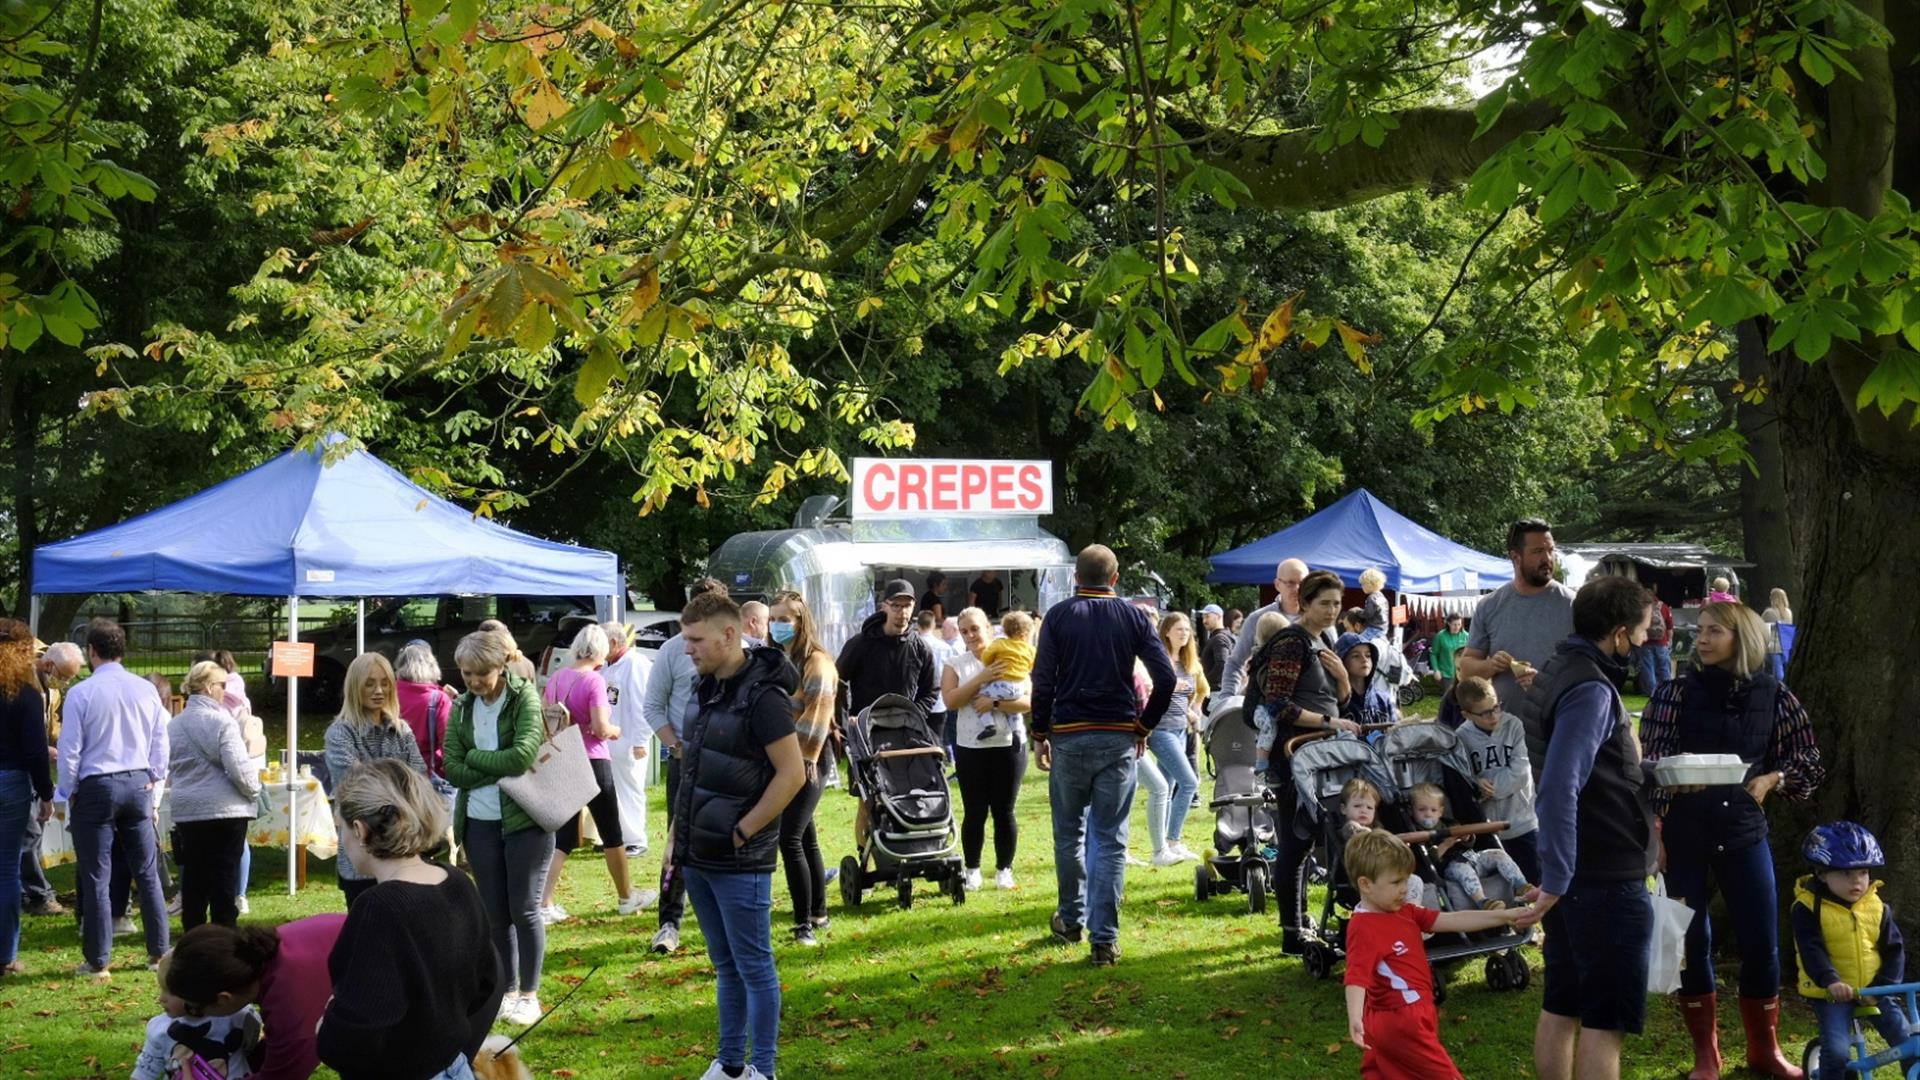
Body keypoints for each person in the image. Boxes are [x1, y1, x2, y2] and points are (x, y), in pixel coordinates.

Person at [1642, 600, 1824, 1080]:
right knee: (1690, 938)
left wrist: (1774, 779)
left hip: (1745, 833)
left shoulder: (1775, 695)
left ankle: (1765, 1051)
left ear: (1740, 637)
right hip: (1684, 833)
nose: (1700, 639)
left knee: (1763, 940)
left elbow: (1808, 759)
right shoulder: (1673, 693)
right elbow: (1651, 762)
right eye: (1699, 630)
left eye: (1713, 631)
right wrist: (1659, 825)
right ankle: (1707, 1055)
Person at [1514, 575, 1657, 1080]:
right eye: (1641, 632)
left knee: (1564, 1004)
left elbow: (1585, 769)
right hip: (1600, 874)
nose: (1644, 643)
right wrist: (1556, 876)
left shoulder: (1561, 668)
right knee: (1604, 1022)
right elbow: (1559, 784)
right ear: (1619, 634)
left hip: (1579, 871)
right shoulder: (1591, 688)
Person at [670, 592, 806, 1080]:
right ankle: (729, 1066)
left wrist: (744, 830)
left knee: (754, 967)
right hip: (697, 852)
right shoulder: (704, 686)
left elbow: (792, 775)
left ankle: (762, 1070)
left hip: (739, 857)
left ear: (729, 635)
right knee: (725, 965)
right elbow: (693, 771)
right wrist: (677, 840)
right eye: (686, 640)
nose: (688, 649)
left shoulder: (764, 696)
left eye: (695, 640)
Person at [1029, 544, 1176, 967]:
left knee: (1068, 833)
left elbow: (1043, 680)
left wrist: (1041, 733)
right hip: (1117, 737)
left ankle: (1071, 919)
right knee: (1110, 838)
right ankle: (1104, 939)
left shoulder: (1058, 617)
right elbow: (1165, 678)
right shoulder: (1133, 615)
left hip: (1070, 734)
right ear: (1115, 578)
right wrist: (1143, 725)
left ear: (1076, 577)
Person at [316, 759, 503, 1080]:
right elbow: (486, 982)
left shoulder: (380, 908)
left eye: (340, 828)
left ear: (360, 830)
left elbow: (361, 1025)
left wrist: (329, 1031)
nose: (341, 840)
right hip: (453, 1067)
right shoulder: (456, 881)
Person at [1342, 829, 1528, 1080]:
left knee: (1383, 1072)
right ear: (1366, 884)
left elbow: (1452, 920)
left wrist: (1505, 916)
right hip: (1402, 1020)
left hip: (1407, 1014)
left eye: (1406, 880)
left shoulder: (1405, 912)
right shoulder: (1364, 927)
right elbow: (1356, 977)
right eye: (1396, 882)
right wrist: (1354, 1017)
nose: (1404, 889)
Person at [442, 630, 551, 1027]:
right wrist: (488, 763)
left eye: (481, 673)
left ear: (501, 665)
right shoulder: (460, 707)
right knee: (494, 914)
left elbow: (522, 756)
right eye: (466, 673)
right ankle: (506, 989)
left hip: (525, 820)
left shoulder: (524, 698)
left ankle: (530, 994)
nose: (473, 681)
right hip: (478, 822)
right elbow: (451, 766)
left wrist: (474, 757)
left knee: (524, 908)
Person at [57, 618, 171, 980]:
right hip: (138, 783)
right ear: (122, 650)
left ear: (91, 652)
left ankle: (98, 960)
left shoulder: (81, 692)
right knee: (147, 872)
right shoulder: (145, 690)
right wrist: (154, 778)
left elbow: (69, 750)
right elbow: (160, 741)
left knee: (96, 875)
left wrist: (68, 790)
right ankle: (158, 953)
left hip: (96, 785)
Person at [644, 577, 730, 956]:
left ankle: (728, 918)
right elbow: (653, 707)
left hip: (729, 761)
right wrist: (675, 746)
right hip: (686, 761)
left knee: (731, 838)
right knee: (677, 844)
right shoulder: (670, 651)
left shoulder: (742, 650)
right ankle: (669, 923)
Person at [1792, 822, 1915, 1078]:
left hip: (1875, 989)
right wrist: (1831, 981)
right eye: (1846, 874)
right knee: (1837, 1053)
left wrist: (1885, 984)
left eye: (1862, 872)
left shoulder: (1877, 907)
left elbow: (1894, 949)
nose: (1857, 881)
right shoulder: (1807, 908)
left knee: (1910, 1043)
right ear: (1822, 874)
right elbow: (1811, 950)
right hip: (1832, 993)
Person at [540, 624, 645, 921]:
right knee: (611, 832)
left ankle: (544, 901)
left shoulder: (557, 678)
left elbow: (549, 721)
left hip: (565, 758)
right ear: (601, 650)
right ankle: (626, 896)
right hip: (594, 760)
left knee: (563, 837)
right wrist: (616, 730)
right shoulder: (595, 681)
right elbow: (601, 728)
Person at [164, 916, 346, 1080]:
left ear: (224, 998)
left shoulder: (290, 1007)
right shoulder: (263, 953)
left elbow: (284, 1075)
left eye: (195, 1008)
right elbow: (280, 1049)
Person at [323, 651, 428, 908]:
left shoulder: (401, 730)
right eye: (369, 683)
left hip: (403, 847)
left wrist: (377, 775)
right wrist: (399, 781)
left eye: (384, 683)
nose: (378, 690)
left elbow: (420, 779)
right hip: (361, 854)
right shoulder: (340, 733)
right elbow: (358, 786)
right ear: (354, 687)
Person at [169, 660, 262, 931]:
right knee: (224, 878)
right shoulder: (223, 722)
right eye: (222, 685)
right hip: (225, 810)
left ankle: (194, 938)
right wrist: (255, 791)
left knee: (194, 879)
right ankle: (224, 939)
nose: (226, 691)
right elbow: (240, 769)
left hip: (188, 809)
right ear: (210, 688)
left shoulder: (174, 725)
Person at [945, 607, 1030, 892]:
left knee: (1004, 810)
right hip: (971, 747)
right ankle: (972, 870)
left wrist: (994, 704)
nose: (970, 635)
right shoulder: (956, 663)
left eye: (975, 629)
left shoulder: (1009, 654)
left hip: (1009, 744)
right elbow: (951, 701)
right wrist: (981, 680)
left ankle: (1004, 870)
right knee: (975, 811)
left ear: (988, 629)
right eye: (964, 630)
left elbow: (1028, 701)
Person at [1456, 519, 1576, 718]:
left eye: (1551, 550)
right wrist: (1491, 665)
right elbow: (1467, 669)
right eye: (1538, 551)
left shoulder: (1573, 605)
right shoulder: (1490, 605)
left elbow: (1591, 669)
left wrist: (1546, 684)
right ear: (1516, 557)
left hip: (1560, 723)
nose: (1548, 558)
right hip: (1508, 729)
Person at [769, 591, 835, 946]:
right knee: (805, 837)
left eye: (784, 619)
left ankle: (803, 925)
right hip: (788, 757)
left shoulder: (817, 662)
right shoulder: (781, 657)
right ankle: (818, 913)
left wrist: (800, 760)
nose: (777, 625)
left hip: (807, 758)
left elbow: (818, 716)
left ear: (800, 621)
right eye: (773, 618)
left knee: (789, 838)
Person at [193, 648, 265, 916]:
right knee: (234, 849)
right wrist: (253, 789)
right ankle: (238, 895)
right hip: (233, 792)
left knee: (204, 862)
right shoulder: (237, 701)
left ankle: (215, 907)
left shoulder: (213, 718)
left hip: (207, 797)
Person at [0, 619, 53, 978]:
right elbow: (36, 751)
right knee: (6, 870)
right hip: (11, 781)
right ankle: (6, 955)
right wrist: (46, 794)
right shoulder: (26, 694)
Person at [1450, 676, 1540, 883]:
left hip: (1522, 822)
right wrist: (1475, 784)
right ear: (1466, 714)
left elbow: (1521, 771)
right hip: (1487, 828)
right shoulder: (1461, 737)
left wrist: (1492, 788)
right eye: (1485, 713)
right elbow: (1462, 778)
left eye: (1496, 707)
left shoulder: (1514, 726)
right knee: (1501, 888)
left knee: (1536, 882)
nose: (1493, 716)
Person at [20, 640, 81, 918]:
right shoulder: (22, 682)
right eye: (63, 676)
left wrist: (61, 741)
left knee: (33, 833)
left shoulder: (47, 688)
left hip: (34, 766)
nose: (64, 683)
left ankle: (25, 892)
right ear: (48, 665)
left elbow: (50, 723)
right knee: (29, 833)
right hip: (19, 767)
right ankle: (38, 894)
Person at [135, 950, 262, 1080]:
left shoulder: (236, 1015)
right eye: (162, 990)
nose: (161, 998)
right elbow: (145, 1069)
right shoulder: (160, 1028)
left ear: (197, 992)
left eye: (170, 992)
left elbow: (251, 1045)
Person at [1143, 613, 1205, 866]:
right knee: (1189, 783)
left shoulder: (1188, 661)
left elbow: (1194, 692)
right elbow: (1148, 690)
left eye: (1187, 630)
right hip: (1161, 729)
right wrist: (1169, 686)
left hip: (1181, 728)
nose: (1184, 634)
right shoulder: (1157, 659)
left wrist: (1191, 713)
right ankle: (1173, 841)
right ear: (1166, 631)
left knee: (1166, 788)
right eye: (1179, 630)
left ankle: (1164, 847)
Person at [1407, 784, 1531, 909]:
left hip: (1471, 857)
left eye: (1433, 810)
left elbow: (1469, 844)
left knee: (1498, 853)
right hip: (1451, 866)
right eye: (1422, 810)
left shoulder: (1451, 823)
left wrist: (1467, 838)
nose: (1428, 814)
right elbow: (1428, 861)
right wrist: (1445, 845)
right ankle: (1483, 901)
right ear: (1411, 811)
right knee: (1463, 869)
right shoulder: (1418, 834)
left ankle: (1522, 886)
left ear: (1440, 811)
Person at [835, 578, 940, 718]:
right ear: (885, 606)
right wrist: (845, 719)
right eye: (896, 605)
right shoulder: (860, 643)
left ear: (914, 606)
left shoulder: (920, 648)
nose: (902, 612)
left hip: (903, 730)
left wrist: (913, 716)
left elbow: (931, 691)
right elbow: (835, 681)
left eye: (907, 605)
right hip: (864, 727)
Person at [1217, 557, 1309, 698]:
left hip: (1307, 706)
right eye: (1290, 583)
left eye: (1302, 583)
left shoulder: (1318, 620)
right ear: (1277, 584)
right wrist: (1227, 699)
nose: (1297, 589)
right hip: (1263, 706)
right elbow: (1235, 662)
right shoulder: (1257, 618)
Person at [600, 621, 654, 861]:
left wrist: (641, 740)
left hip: (630, 739)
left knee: (630, 789)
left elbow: (644, 705)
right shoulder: (607, 666)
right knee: (612, 791)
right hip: (610, 739)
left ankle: (636, 839)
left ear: (613, 642)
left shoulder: (636, 664)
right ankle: (616, 836)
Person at [395, 641, 455, 787]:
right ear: (431, 665)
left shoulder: (388, 694)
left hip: (393, 775)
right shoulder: (439, 699)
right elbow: (449, 747)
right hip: (428, 778)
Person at [1335, 636, 1399, 730]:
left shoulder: (1384, 700)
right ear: (1341, 661)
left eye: (1368, 655)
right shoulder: (1337, 701)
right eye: (1356, 656)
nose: (1364, 660)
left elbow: (1396, 734)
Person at [978, 611, 1036, 715]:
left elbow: (986, 656)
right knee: (1014, 711)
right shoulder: (1031, 649)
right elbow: (1032, 666)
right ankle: (1017, 728)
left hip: (1002, 684)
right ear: (1024, 635)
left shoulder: (999, 643)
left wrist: (990, 664)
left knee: (981, 697)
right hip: (1020, 686)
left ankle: (988, 724)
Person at [1636, 596, 1676, 698]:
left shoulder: (1641, 607)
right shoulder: (1664, 606)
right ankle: (1667, 691)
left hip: (1645, 642)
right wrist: (1669, 640)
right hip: (1662, 642)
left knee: (1648, 668)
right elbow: (1670, 626)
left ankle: (1651, 692)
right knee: (1664, 668)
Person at [1431, 614, 1469, 700]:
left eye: (1459, 624)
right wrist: (1436, 670)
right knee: (1449, 699)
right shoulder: (1440, 636)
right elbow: (1433, 654)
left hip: (1462, 674)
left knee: (1463, 699)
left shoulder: (1466, 636)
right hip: (1446, 674)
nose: (1457, 627)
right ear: (1448, 623)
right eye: (1454, 625)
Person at [1198, 605, 1233, 692]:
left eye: (1207, 616)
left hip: (1216, 692)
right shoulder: (1218, 637)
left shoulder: (1219, 638)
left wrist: (1205, 682)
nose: (1204, 621)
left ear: (1218, 617)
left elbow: (1222, 664)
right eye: (1203, 618)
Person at [1761, 589, 1794, 682]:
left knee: (1777, 671)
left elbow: (1760, 624)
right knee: (1781, 666)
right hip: (1786, 643)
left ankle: (1776, 686)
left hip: (1774, 644)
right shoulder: (1788, 612)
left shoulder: (1769, 612)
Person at [1359, 569, 1390, 641]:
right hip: (1383, 629)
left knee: (1360, 642)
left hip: (1373, 629)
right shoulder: (1382, 597)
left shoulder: (1372, 598)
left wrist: (1358, 612)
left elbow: (1368, 614)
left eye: (1363, 584)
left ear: (1370, 584)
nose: (1362, 587)